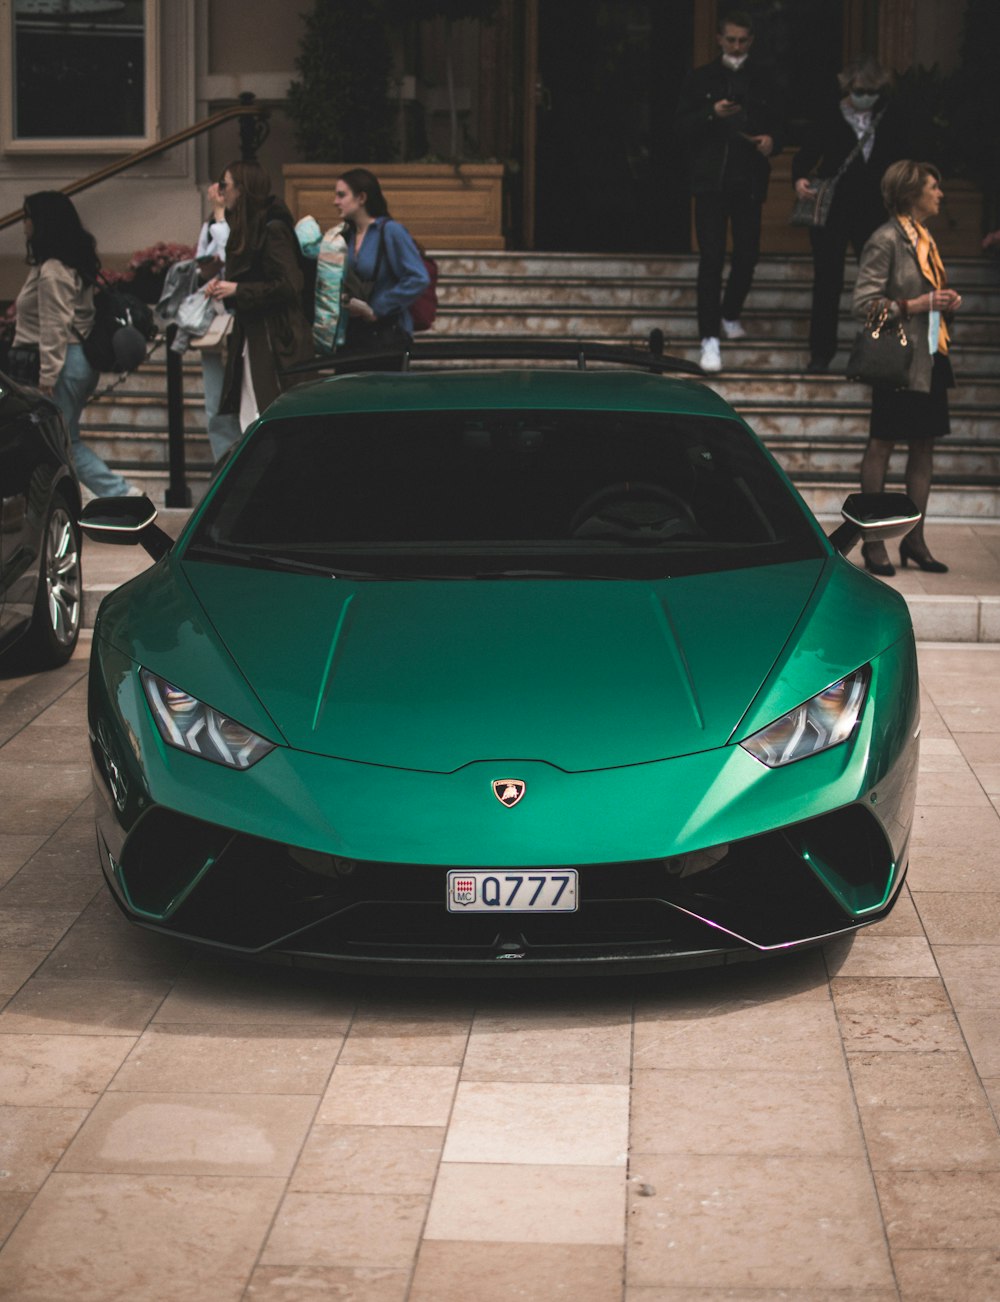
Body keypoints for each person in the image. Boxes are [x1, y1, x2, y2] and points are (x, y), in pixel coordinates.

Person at [852, 160, 963, 576]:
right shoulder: (886, 239)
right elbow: (863, 305)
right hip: (897, 362)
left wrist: (945, 302)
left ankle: (915, 540)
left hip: (930, 356)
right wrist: (917, 305)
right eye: (933, 188)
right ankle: (873, 542)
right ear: (911, 194)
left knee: (924, 445)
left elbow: (926, 296)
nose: (940, 194)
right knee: (882, 443)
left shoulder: (925, 239)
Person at [674, 9, 784, 373]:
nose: (736, 46)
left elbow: (783, 126)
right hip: (711, 180)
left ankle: (730, 312)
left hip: (749, 178)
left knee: (748, 254)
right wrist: (712, 113)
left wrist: (773, 141)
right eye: (731, 39)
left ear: (751, 40)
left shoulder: (765, 78)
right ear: (719, 39)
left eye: (743, 40)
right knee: (711, 258)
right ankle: (709, 338)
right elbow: (681, 127)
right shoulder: (701, 78)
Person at [13, 191, 139, 497]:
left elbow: (55, 325)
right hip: (73, 362)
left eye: (27, 217)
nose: (24, 224)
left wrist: (47, 376)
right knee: (63, 438)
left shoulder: (53, 270)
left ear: (43, 222)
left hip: (65, 363)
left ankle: (121, 495)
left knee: (61, 441)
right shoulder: (63, 264)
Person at [793, 57, 910, 373]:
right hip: (834, 210)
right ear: (848, 88)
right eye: (860, 90)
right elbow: (806, 156)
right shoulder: (829, 115)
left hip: (874, 210)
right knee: (827, 281)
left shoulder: (890, 116)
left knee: (877, 285)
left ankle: (877, 352)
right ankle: (821, 353)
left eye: (873, 91)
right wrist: (800, 178)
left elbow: (904, 158)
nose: (866, 97)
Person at [205, 160, 315, 431]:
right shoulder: (247, 226)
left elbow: (290, 284)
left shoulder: (272, 227)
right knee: (253, 417)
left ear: (242, 189)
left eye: (224, 185)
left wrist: (239, 290)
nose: (221, 192)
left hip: (276, 338)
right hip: (254, 335)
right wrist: (227, 289)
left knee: (268, 418)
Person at [333, 168, 430, 362]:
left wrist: (378, 308)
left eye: (341, 195)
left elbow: (419, 278)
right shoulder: (347, 235)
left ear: (361, 198)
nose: (335, 202)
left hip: (386, 336)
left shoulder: (390, 231)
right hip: (353, 336)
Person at [194, 180, 242, 460]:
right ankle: (223, 467)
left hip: (241, 320)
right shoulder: (212, 223)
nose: (219, 193)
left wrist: (222, 217)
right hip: (216, 320)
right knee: (216, 405)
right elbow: (202, 261)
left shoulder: (241, 224)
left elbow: (231, 257)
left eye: (226, 185)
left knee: (241, 404)